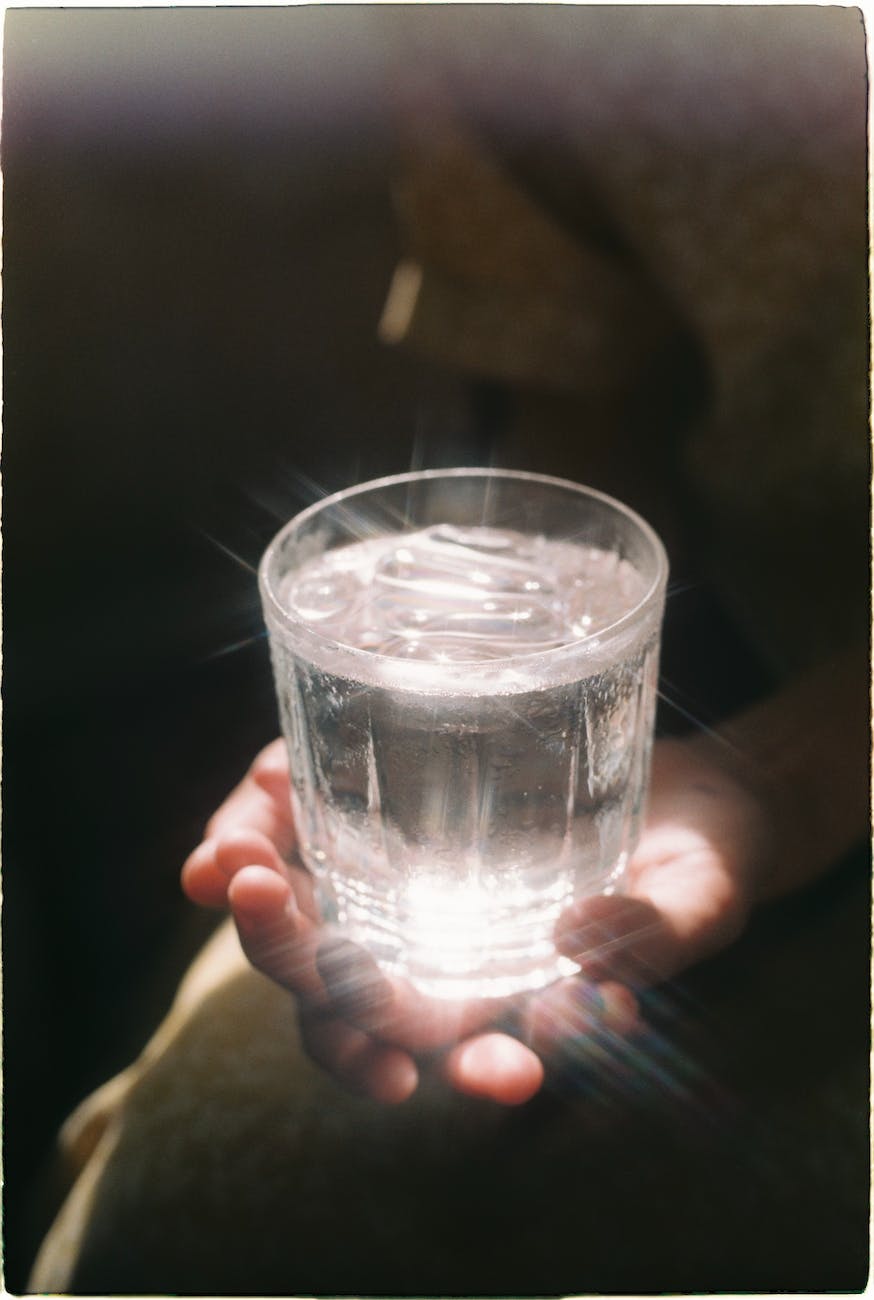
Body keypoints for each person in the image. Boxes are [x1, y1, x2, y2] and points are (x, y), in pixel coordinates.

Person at [30, 6, 869, 1293]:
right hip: (715, 738)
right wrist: (473, 688)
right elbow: (579, 409)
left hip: (791, 766)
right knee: (186, 1192)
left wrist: (799, 776)